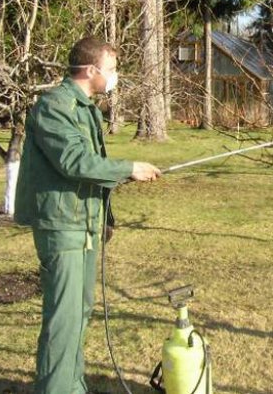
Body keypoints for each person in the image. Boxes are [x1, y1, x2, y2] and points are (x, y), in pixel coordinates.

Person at [14, 36, 161, 394]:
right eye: (111, 69)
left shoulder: (85, 107)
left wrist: (104, 220)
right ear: (91, 70)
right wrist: (129, 167)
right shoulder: (55, 106)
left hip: (85, 226)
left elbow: (88, 171)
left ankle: (71, 384)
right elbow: (74, 162)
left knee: (80, 312)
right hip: (62, 228)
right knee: (63, 319)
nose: (115, 76)